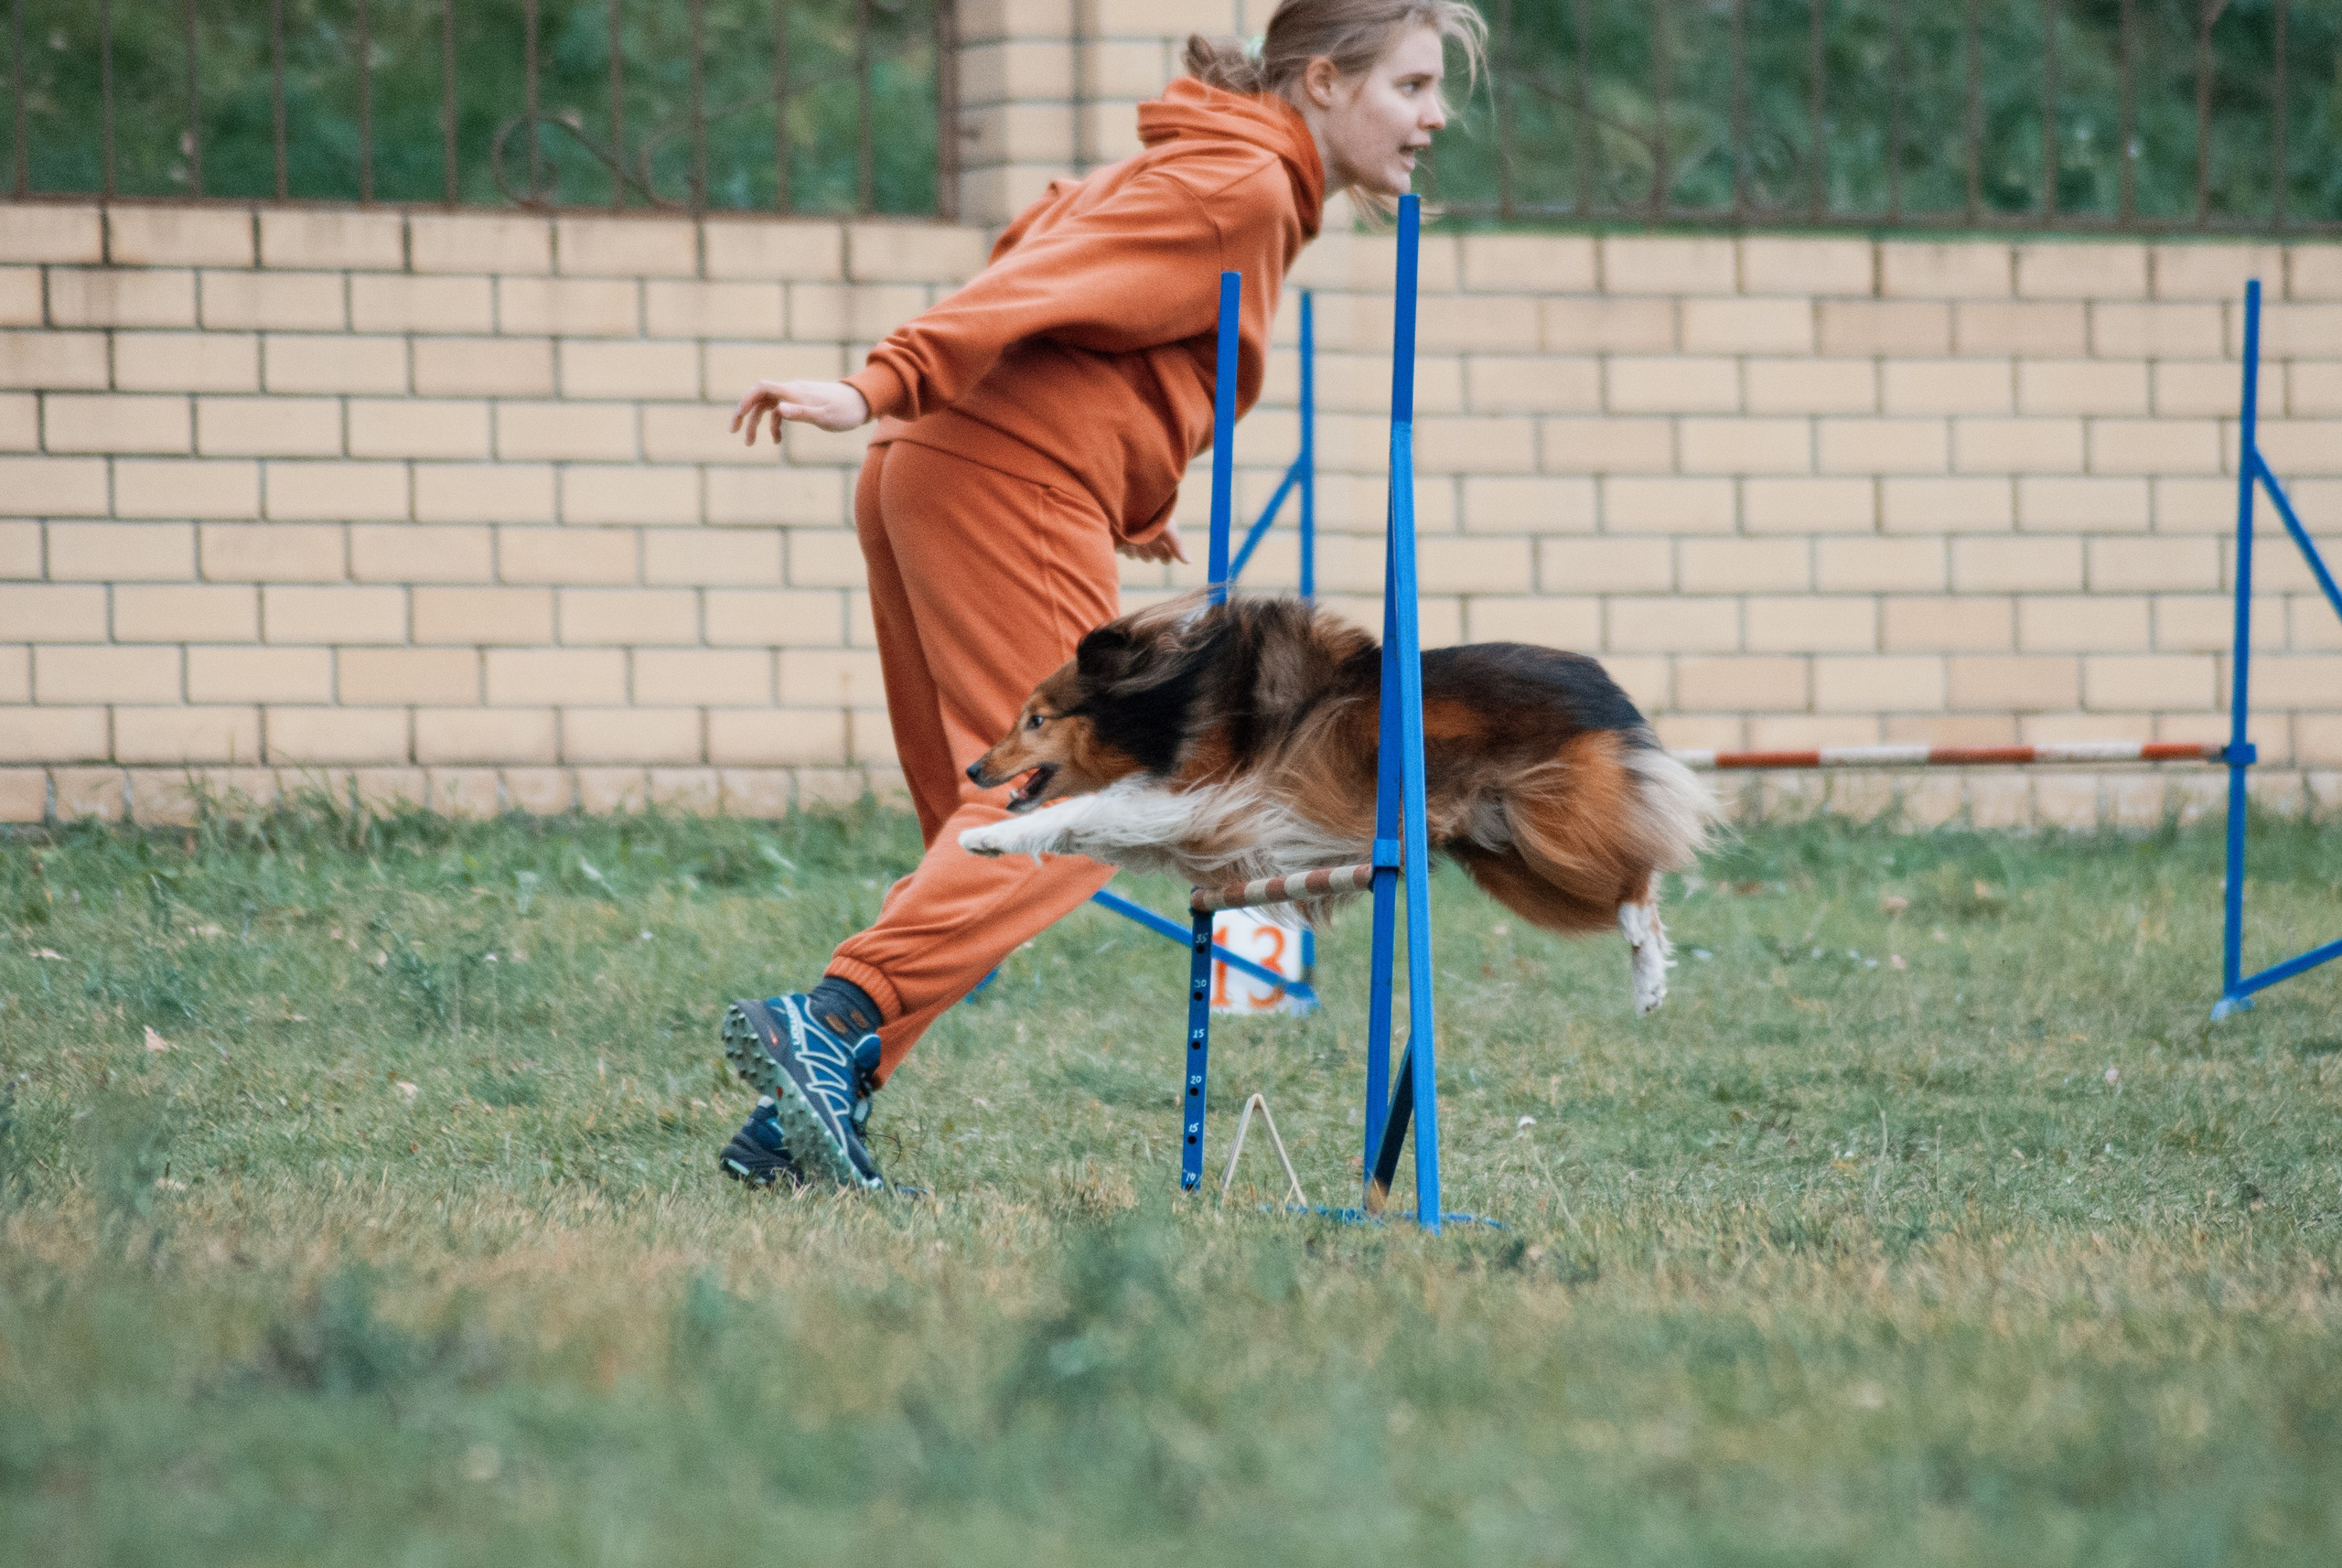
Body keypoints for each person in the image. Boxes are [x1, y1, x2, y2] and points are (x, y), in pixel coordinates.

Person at [714, 0, 1484, 1190]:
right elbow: (1042, 274)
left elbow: (1060, 253)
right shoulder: (1241, 182)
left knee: (984, 824)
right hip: (992, 472)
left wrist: (1131, 488)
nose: (1436, 118)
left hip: (949, 469)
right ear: (1326, 82)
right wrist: (880, 383)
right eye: (1415, 85)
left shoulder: (1225, 166)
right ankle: (824, 1026)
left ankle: (810, 1112)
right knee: (1071, 807)